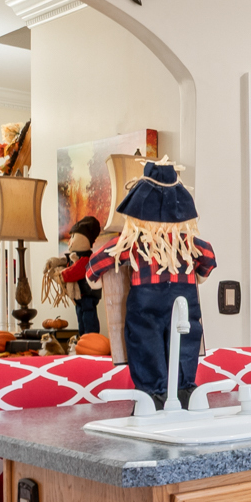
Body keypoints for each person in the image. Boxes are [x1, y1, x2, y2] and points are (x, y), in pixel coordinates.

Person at [84, 162, 215, 407]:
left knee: (146, 343)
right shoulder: (187, 243)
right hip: (183, 302)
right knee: (184, 343)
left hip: (146, 304)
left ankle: (155, 394)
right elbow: (208, 255)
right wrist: (201, 273)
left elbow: (101, 258)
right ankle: (183, 390)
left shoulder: (133, 242)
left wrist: (93, 276)